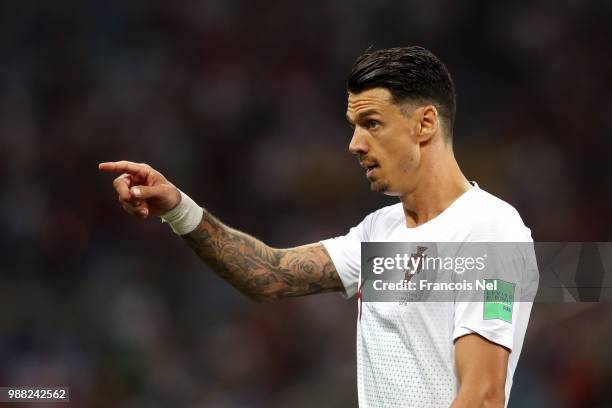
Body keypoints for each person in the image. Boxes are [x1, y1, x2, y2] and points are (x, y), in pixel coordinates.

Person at [99, 46, 536, 408]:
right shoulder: (378, 233)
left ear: (424, 123)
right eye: (353, 127)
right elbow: (268, 274)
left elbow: (481, 397)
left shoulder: (491, 229)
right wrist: (178, 207)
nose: (354, 144)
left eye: (371, 124)